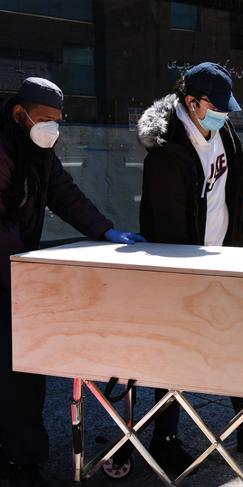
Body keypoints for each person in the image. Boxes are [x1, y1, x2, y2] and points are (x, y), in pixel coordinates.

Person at [137, 62, 243, 475]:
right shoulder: (167, 153)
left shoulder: (221, 132)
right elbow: (168, 232)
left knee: (235, 345)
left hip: (222, 259)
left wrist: (236, 257)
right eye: (216, 107)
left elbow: (231, 199)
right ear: (191, 103)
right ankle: (163, 438)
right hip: (183, 270)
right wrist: (190, 283)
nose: (223, 115)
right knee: (176, 355)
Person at [0, 77, 144, 487]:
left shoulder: (37, 148)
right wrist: (22, 275)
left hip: (15, 268)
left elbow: (64, 194)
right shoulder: (3, 148)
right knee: (16, 372)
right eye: (45, 119)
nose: (53, 128)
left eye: (59, 121)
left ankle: (20, 453)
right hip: (9, 269)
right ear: (19, 114)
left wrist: (106, 231)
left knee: (22, 370)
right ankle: (21, 461)